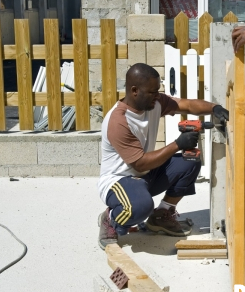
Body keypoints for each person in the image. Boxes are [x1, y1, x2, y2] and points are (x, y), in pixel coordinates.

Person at [97, 63, 229, 249]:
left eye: (158, 91)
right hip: (119, 181)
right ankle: (110, 219)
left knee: (190, 161)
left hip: (145, 175)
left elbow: (188, 105)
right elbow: (140, 163)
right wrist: (177, 144)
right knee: (140, 207)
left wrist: (215, 108)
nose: (157, 96)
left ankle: (161, 215)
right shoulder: (118, 121)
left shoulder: (154, 103)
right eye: (152, 92)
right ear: (134, 91)